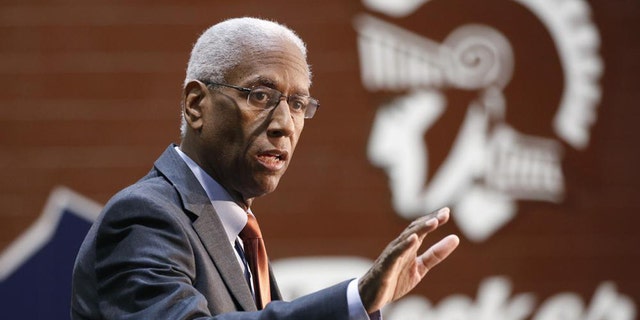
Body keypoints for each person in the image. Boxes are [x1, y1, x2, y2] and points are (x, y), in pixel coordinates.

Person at [71, 17, 460, 319]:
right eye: (260, 95)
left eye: (297, 104)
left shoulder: (238, 237)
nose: (284, 124)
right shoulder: (145, 218)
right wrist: (352, 301)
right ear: (195, 104)